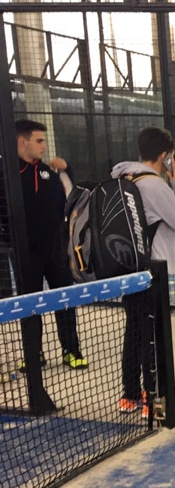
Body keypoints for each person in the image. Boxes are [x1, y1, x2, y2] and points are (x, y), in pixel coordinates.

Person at [111, 127, 175, 414]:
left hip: (127, 268)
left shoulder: (122, 176)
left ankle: (130, 395)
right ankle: (155, 401)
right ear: (165, 155)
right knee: (153, 336)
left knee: (135, 330)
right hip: (153, 271)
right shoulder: (155, 185)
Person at [10, 119, 87, 369]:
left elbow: (71, 197)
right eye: (39, 141)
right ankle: (33, 354)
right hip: (25, 255)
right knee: (28, 306)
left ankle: (71, 350)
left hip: (55, 252)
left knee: (64, 300)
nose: (44, 146)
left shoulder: (49, 173)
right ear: (23, 142)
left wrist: (67, 171)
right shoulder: (8, 174)